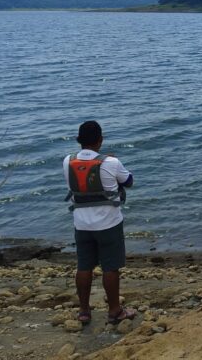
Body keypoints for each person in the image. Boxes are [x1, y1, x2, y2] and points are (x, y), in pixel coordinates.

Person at [63, 120, 135, 326]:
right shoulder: (111, 163)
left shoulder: (68, 161)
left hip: (81, 223)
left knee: (84, 266)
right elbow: (129, 182)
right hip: (108, 223)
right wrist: (113, 162)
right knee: (110, 267)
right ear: (100, 140)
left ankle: (84, 311)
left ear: (79, 140)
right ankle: (115, 311)